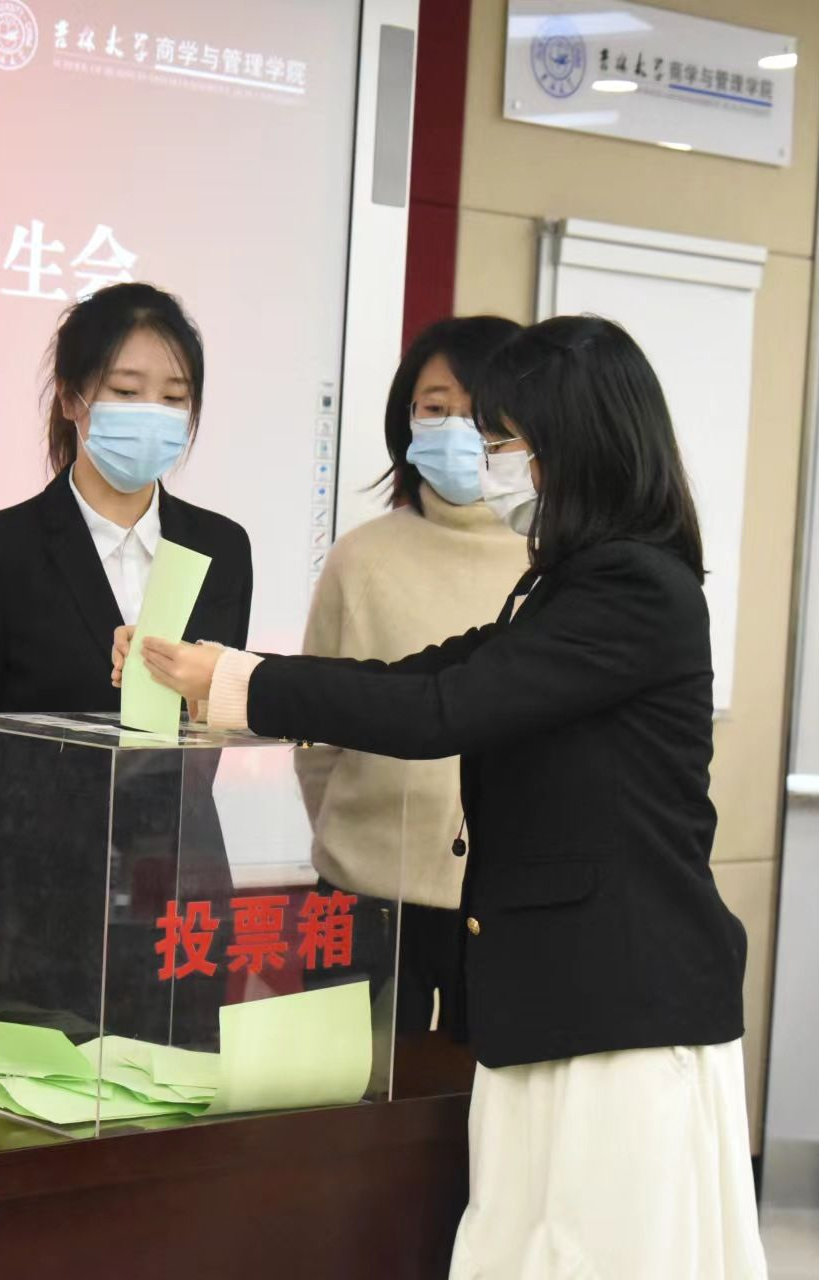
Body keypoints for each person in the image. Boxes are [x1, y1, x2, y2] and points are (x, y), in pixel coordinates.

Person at [120, 315, 765, 1278]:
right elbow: (418, 677)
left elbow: (441, 711)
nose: (492, 462)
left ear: (573, 444)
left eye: (506, 439)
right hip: (562, 1001)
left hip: (620, 1009)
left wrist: (236, 682)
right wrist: (224, 679)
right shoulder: (568, 586)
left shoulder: (634, 590)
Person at [0, 282, 250, 1044]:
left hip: (179, 897)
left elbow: (213, 728)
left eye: (175, 397)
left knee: (180, 1102)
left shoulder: (219, 547)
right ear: (74, 398)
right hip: (36, 910)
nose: (154, 413)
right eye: (127, 391)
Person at [294, 315, 528, 1047]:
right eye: (435, 407)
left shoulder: (554, 562)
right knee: (341, 1101)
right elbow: (316, 735)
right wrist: (356, 840)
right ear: (407, 419)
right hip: (360, 898)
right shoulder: (361, 556)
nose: (456, 430)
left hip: (503, 906)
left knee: (477, 1106)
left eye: (480, 414)